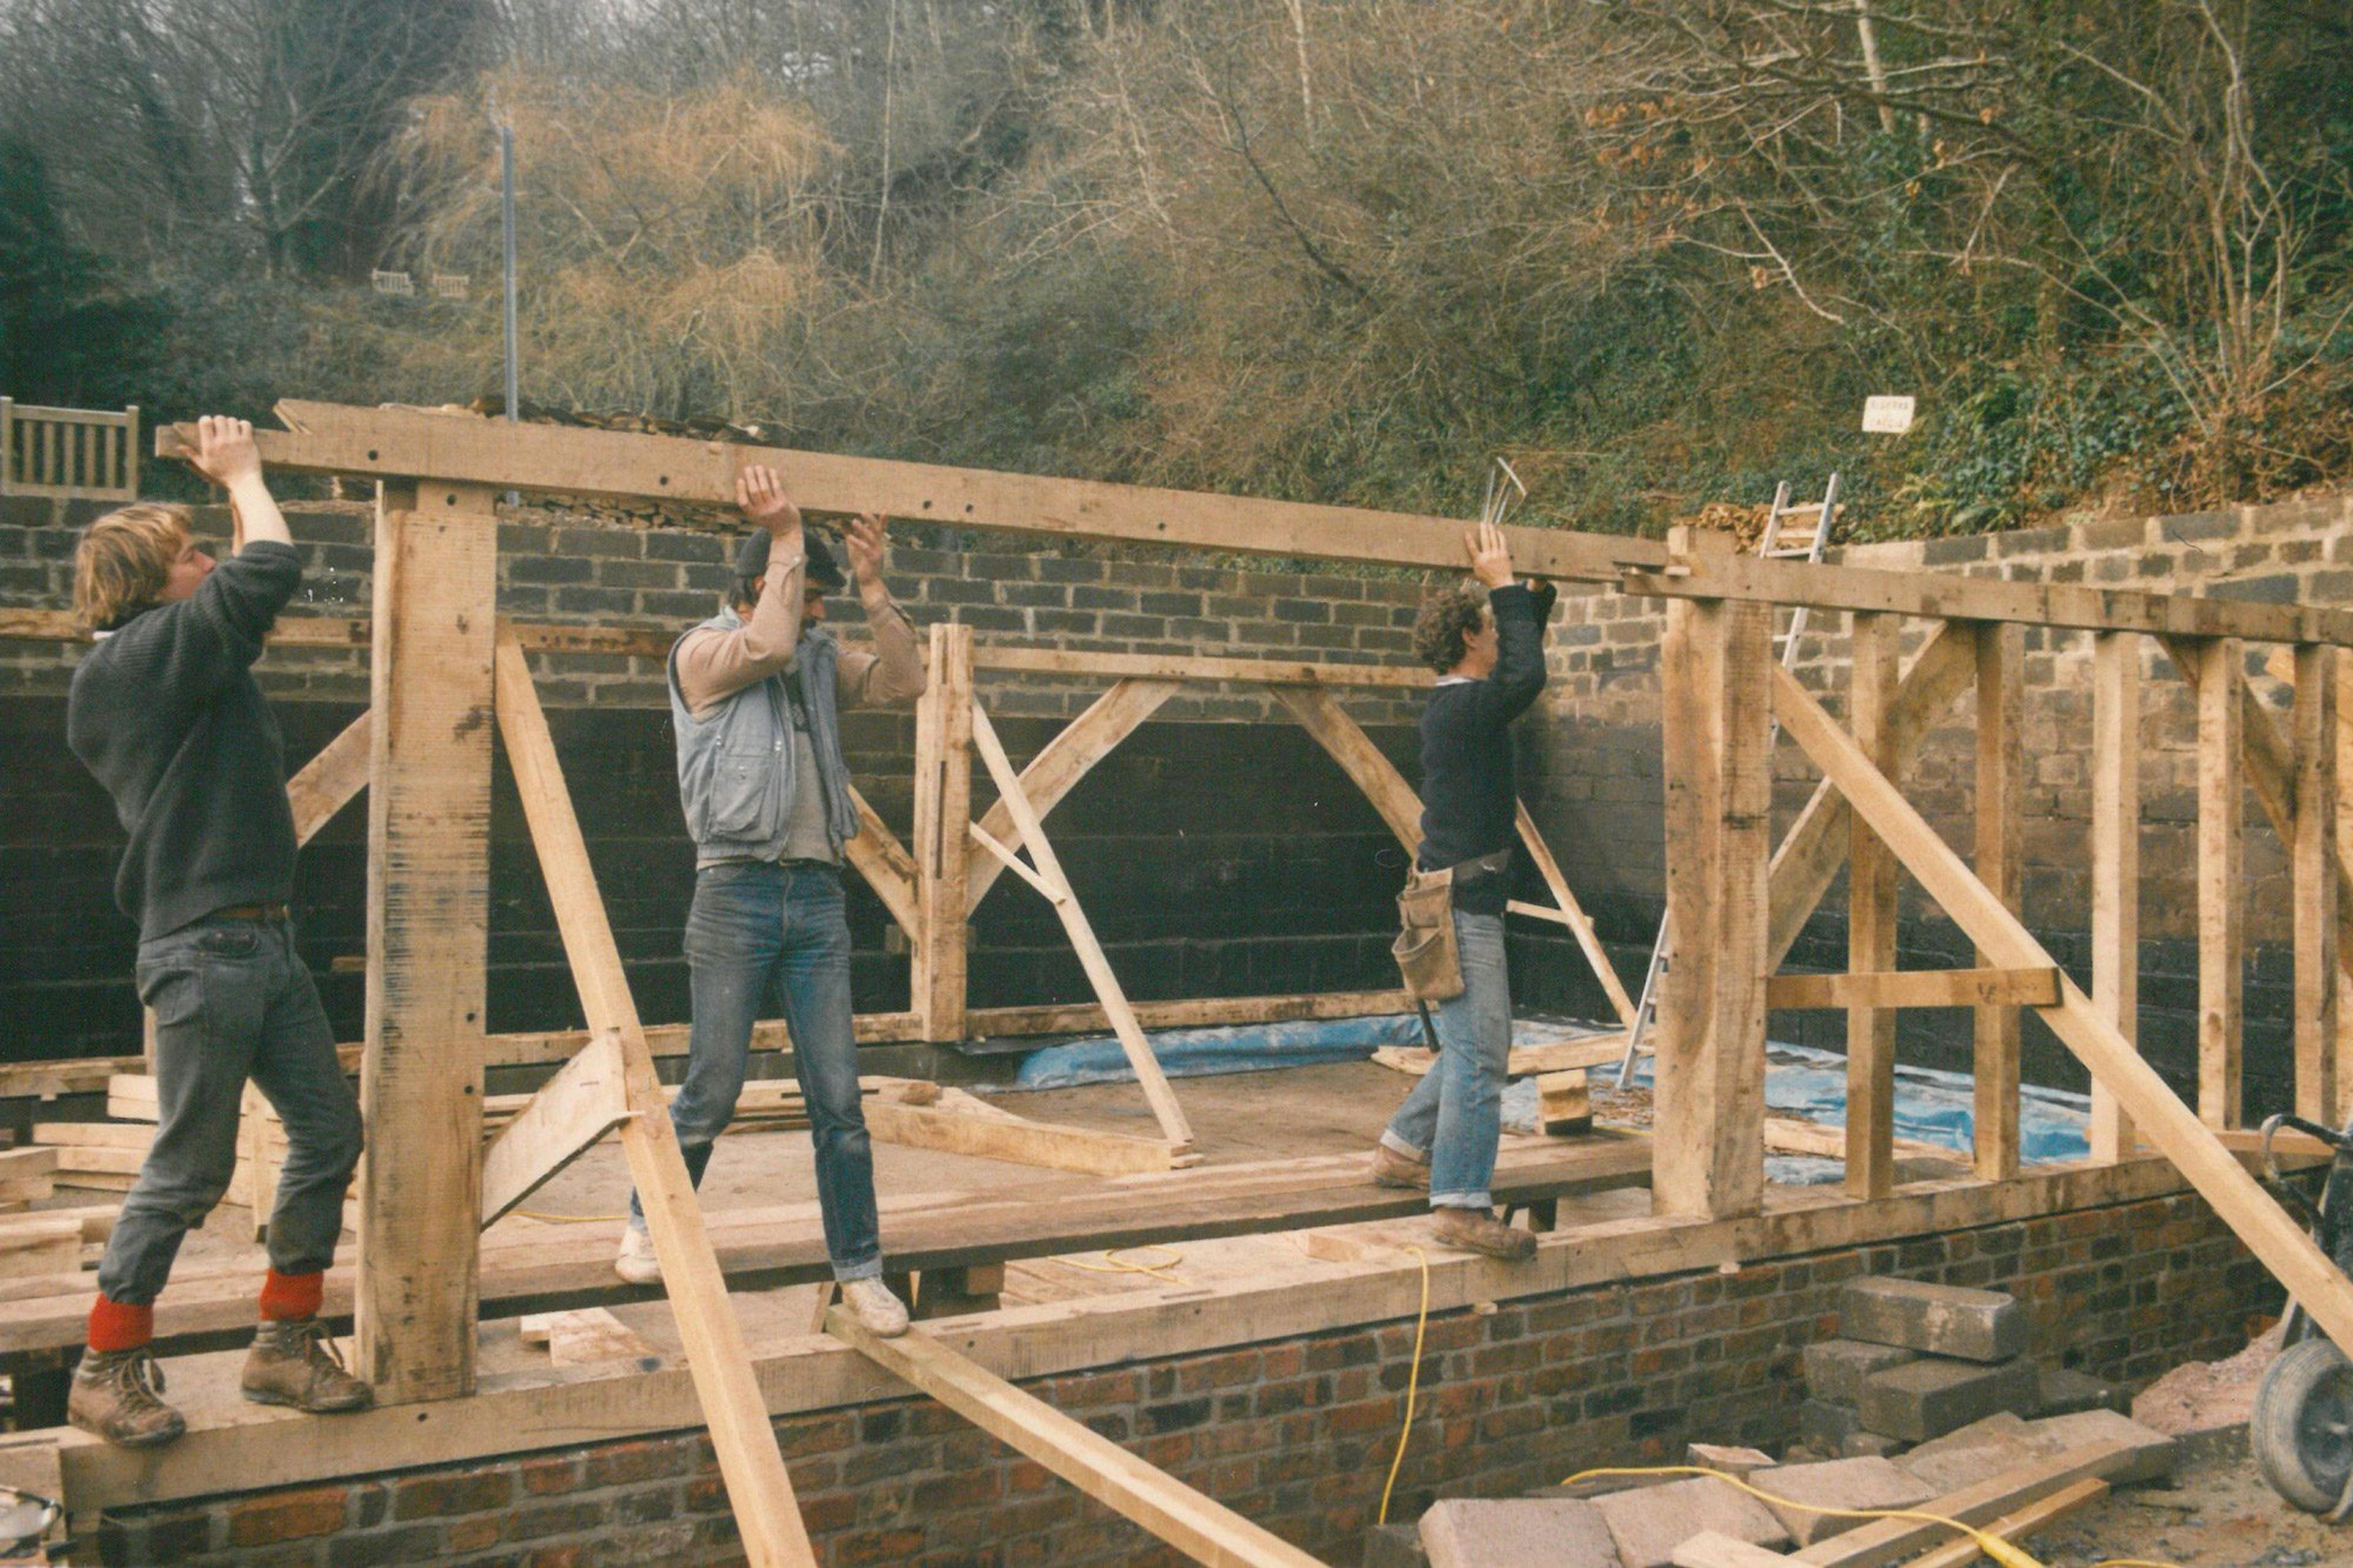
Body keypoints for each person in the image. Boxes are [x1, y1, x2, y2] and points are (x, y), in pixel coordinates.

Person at [64, 417, 373, 1446]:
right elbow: (271, 564)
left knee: (330, 1133)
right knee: (190, 1169)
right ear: (150, 585)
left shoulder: (181, 663)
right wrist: (244, 474)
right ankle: (107, 1364)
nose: (210, 558)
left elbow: (247, 587)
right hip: (204, 947)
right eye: (190, 552)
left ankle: (282, 1344)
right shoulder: (135, 663)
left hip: (260, 943)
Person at [616, 464, 925, 1336]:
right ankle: (646, 1224)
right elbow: (771, 644)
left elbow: (908, 682)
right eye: (810, 594)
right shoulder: (703, 652)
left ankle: (860, 1269)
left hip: (816, 899)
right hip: (735, 895)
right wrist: (789, 534)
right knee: (711, 1088)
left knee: (840, 1099)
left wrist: (872, 588)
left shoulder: (819, 656)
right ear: (763, 585)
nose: (818, 613)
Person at [1370, 520, 1557, 1260]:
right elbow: (1527, 678)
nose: (1499, 635)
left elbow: (1519, 664)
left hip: (1457, 899)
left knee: (1471, 1045)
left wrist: (1528, 598)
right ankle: (1457, 1202)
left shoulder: (1462, 705)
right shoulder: (1464, 708)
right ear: (1474, 642)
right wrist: (1504, 584)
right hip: (1461, 907)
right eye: (1492, 627)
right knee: (1483, 1057)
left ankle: (1400, 1149)